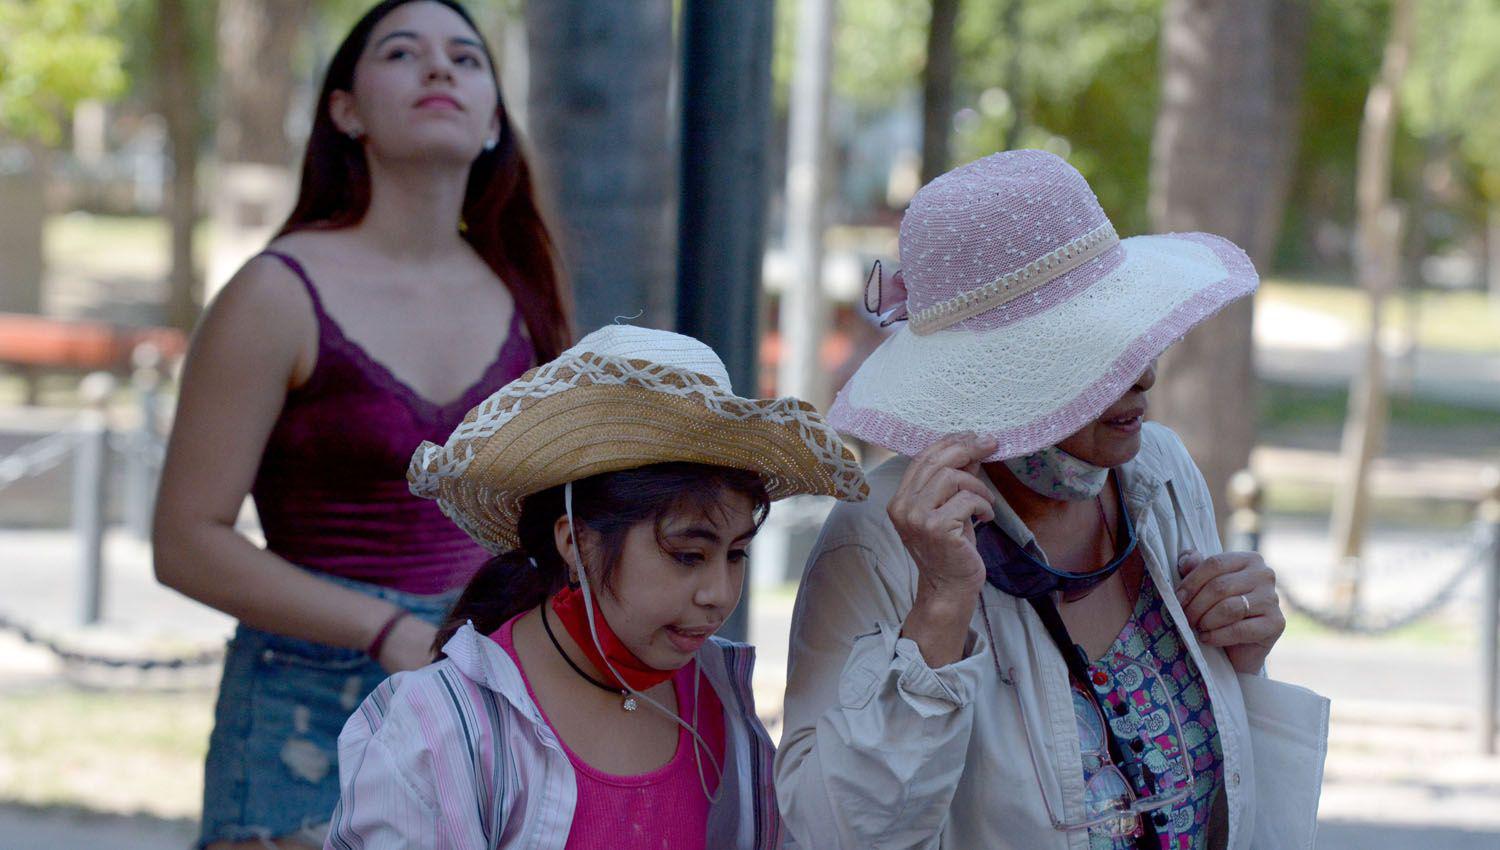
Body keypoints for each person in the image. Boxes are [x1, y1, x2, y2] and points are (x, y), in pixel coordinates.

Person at [775, 150, 1330, 850]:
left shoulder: (1160, 473)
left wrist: (1242, 657)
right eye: (1098, 349)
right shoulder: (878, 539)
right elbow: (833, 833)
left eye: (1134, 334)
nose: (1146, 375)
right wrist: (940, 612)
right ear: (998, 376)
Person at [151, 2, 569, 846]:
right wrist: (386, 629)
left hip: (484, 696)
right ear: (345, 111)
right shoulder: (274, 293)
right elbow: (185, 540)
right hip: (302, 713)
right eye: (403, 52)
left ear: (493, 117)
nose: (440, 69)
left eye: (465, 56)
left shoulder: (525, 297)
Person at [321, 325, 868, 849]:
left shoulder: (722, 700)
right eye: (687, 555)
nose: (719, 594)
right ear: (576, 542)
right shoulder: (439, 730)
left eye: (736, 554)